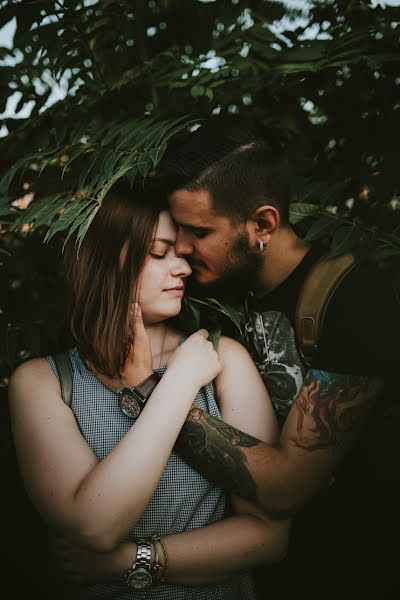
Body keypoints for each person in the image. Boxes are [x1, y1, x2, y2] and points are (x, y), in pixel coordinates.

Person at [151, 115, 400, 598]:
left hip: (357, 566)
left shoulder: (353, 299)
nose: (181, 248)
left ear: (262, 223)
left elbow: (287, 487)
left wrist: (147, 392)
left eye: (197, 231)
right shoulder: (207, 287)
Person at [8, 183, 290, 600]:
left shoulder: (221, 361)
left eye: (182, 254)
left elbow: (268, 538)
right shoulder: (44, 382)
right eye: (159, 254)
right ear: (102, 260)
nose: (183, 269)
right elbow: (96, 524)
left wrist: (132, 560)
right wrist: (175, 385)